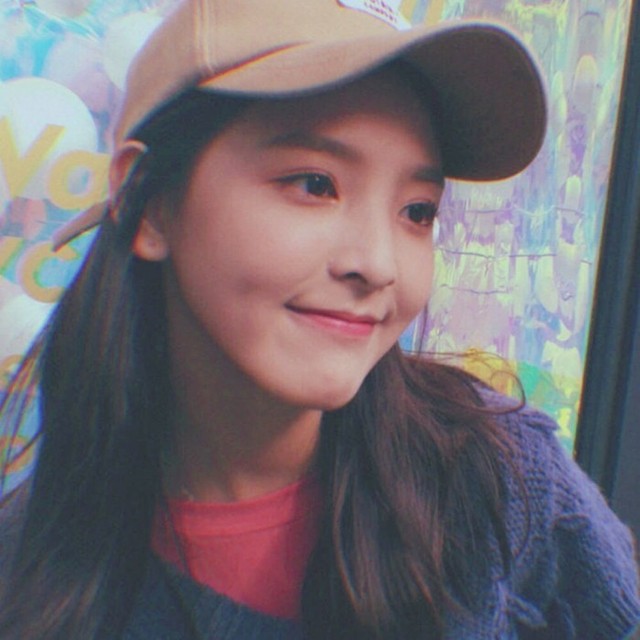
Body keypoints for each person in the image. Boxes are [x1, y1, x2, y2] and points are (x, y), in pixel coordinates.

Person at [0, 1, 638, 638]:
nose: (378, 265)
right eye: (314, 184)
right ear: (151, 201)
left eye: (417, 211)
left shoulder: (498, 477)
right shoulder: (28, 579)